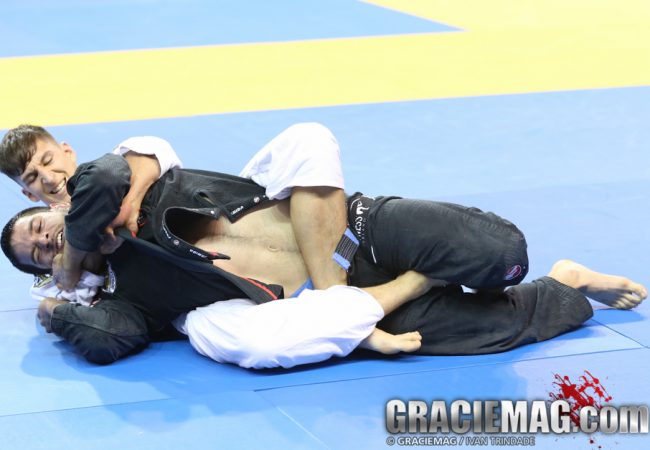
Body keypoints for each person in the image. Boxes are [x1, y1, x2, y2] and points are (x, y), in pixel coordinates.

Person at [3, 138, 646, 368]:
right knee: (499, 328)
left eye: (39, 228)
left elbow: (109, 176)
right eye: (36, 254)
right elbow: (107, 338)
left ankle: (364, 302)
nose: (44, 240)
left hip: (355, 231)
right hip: (340, 304)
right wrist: (61, 307)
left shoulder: (122, 173)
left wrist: (72, 257)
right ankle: (567, 283)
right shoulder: (120, 296)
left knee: (505, 255)